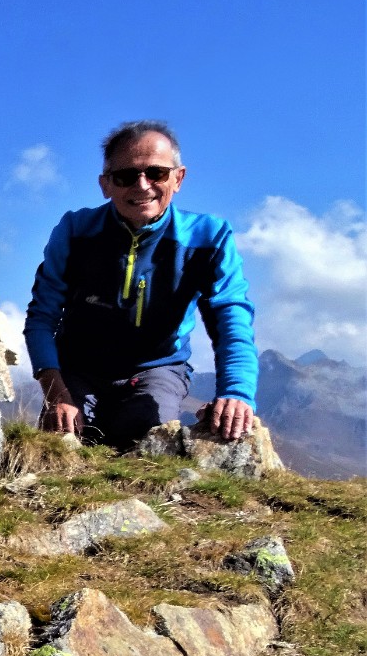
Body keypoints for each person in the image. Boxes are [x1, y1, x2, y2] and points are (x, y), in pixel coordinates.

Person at [23, 120, 258, 449]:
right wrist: (55, 392)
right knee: (63, 447)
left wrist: (236, 393)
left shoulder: (210, 237)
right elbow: (42, 316)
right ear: (105, 185)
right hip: (79, 368)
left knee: (149, 441)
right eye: (125, 176)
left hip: (159, 368)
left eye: (157, 173)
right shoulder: (75, 231)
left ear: (178, 178)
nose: (142, 185)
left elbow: (231, 320)